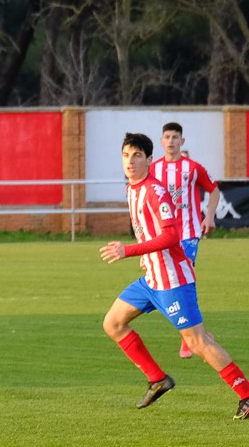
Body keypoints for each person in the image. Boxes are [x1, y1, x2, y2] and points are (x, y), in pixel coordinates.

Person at [99, 132, 249, 420]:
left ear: (149, 160)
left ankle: (246, 394)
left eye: (137, 155)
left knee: (198, 342)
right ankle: (158, 379)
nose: (130, 161)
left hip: (174, 281)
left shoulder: (154, 192)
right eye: (126, 155)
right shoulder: (131, 189)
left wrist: (128, 250)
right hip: (151, 281)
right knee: (113, 323)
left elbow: (171, 236)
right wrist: (144, 255)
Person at [151, 121, 222, 359]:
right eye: (167, 137)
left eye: (175, 137)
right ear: (162, 141)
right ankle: (195, 334)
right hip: (163, 237)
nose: (171, 141)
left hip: (189, 234)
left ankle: (187, 339)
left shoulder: (192, 168)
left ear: (182, 141)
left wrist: (209, 216)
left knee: (184, 280)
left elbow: (214, 189)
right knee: (167, 286)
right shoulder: (153, 170)